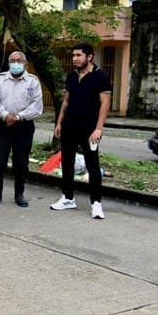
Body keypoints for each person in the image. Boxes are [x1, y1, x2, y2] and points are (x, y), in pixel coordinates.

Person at [50, 42, 111, 219]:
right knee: (67, 162)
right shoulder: (71, 76)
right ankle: (68, 198)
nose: (75, 59)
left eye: (78, 55)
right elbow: (66, 101)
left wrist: (99, 128)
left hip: (90, 128)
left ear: (89, 56)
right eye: (73, 55)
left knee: (92, 165)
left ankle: (96, 203)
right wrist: (59, 123)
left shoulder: (100, 76)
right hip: (69, 126)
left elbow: (105, 104)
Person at [0, 51, 43, 207]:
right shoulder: (0, 79)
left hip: (23, 126)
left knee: (21, 162)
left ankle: (19, 194)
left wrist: (18, 117)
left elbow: (37, 106)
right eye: (12, 61)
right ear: (8, 63)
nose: (16, 63)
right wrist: (6, 115)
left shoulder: (32, 81)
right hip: (2, 124)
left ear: (25, 63)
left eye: (19, 60)